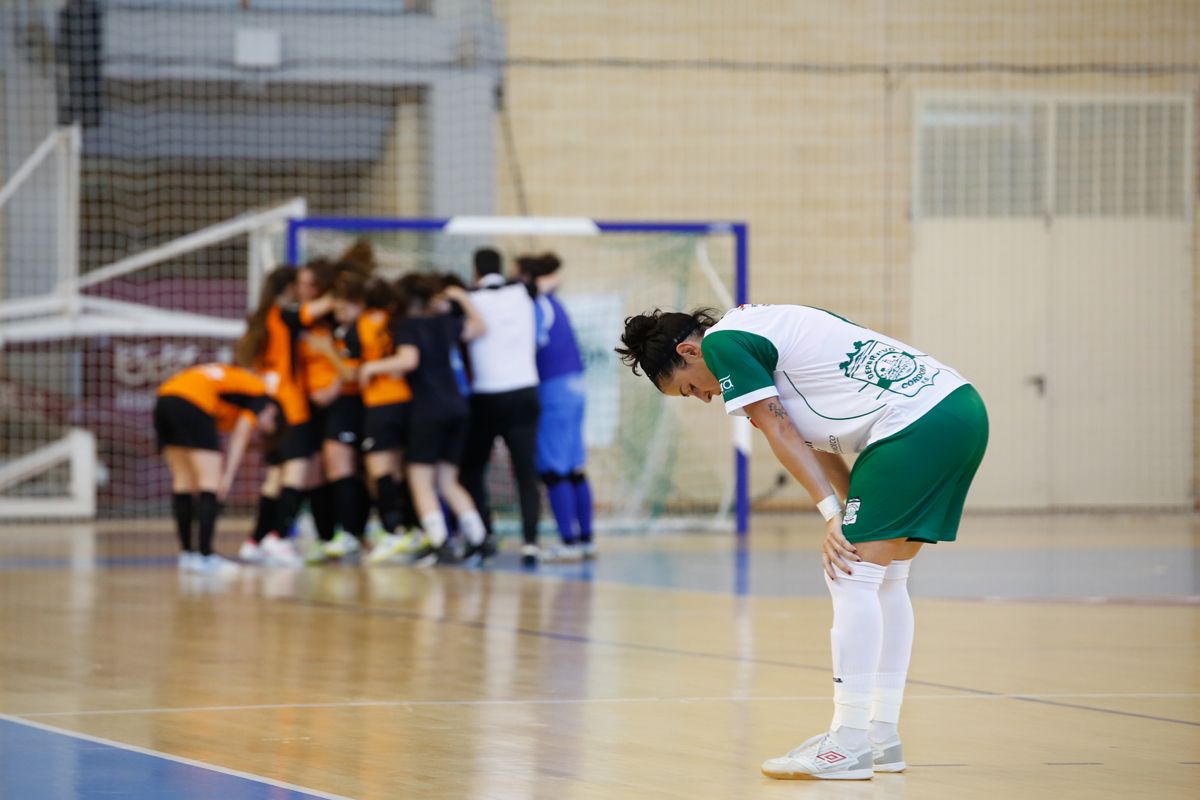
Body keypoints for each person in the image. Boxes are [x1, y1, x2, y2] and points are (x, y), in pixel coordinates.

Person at [616, 304, 988, 781]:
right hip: (958, 410)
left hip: (915, 426)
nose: (704, 398)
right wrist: (851, 509)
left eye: (691, 387)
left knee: (849, 574)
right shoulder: (762, 334)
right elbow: (817, 441)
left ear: (690, 350)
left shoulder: (723, 346)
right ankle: (880, 737)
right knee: (886, 576)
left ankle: (849, 742)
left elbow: (780, 430)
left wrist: (833, 516)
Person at [378, 273, 489, 564]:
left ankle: (440, 542)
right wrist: (464, 299)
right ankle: (479, 538)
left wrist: (370, 368)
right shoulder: (444, 324)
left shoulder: (408, 327)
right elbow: (479, 326)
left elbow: (408, 360)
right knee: (448, 480)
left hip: (429, 409)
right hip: (458, 408)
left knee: (420, 480)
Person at [235, 266, 332, 567]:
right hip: (290, 404)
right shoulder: (284, 315)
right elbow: (324, 305)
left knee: (275, 476)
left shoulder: (259, 317)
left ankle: (256, 540)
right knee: (296, 471)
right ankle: (278, 537)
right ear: (290, 287)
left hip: (269, 401)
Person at [154, 363, 286, 576]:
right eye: (267, 425)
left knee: (183, 482)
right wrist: (227, 477)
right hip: (193, 401)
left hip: (164, 397)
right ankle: (206, 556)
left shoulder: (231, 393)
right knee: (210, 484)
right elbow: (241, 435)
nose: (259, 429)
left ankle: (189, 555)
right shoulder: (262, 395)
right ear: (272, 411)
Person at [460, 248, 542, 567]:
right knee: (525, 472)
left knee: (472, 469)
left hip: (487, 396)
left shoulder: (470, 297)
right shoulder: (523, 291)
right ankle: (531, 543)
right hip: (525, 391)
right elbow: (542, 280)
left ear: (475, 271)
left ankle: (486, 534)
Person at [329, 272, 419, 563]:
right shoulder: (397, 318)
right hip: (408, 399)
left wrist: (329, 352)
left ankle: (392, 531)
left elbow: (353, 372)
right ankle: (410, 529)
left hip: (379, 402)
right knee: (400, 468)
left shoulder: (361, 325)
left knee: (379, 470)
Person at [517, 253, 594, 562]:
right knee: (575, 468)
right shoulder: (555, 303)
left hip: (553, 388)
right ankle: (586, 540)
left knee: (553, 469)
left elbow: (530, 344)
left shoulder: (535, 305)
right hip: (576, 386)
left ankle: (569, 542)